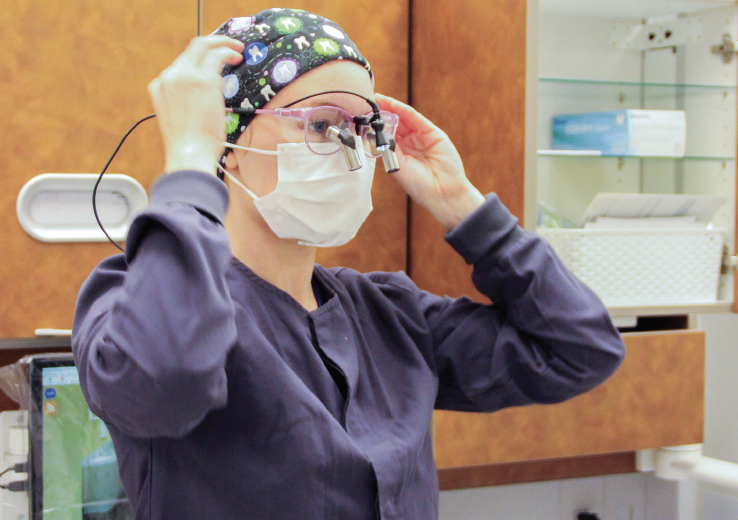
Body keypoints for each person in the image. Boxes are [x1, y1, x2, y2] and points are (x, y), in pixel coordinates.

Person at [72, 8, 625, 520]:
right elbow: (159, 383)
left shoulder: (390, 314)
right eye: (321, 124)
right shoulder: (134, 298)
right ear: (231, 139)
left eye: (364, 129)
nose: (348, 149)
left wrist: (461, 204)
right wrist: (190, 160)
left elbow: (579, 349)